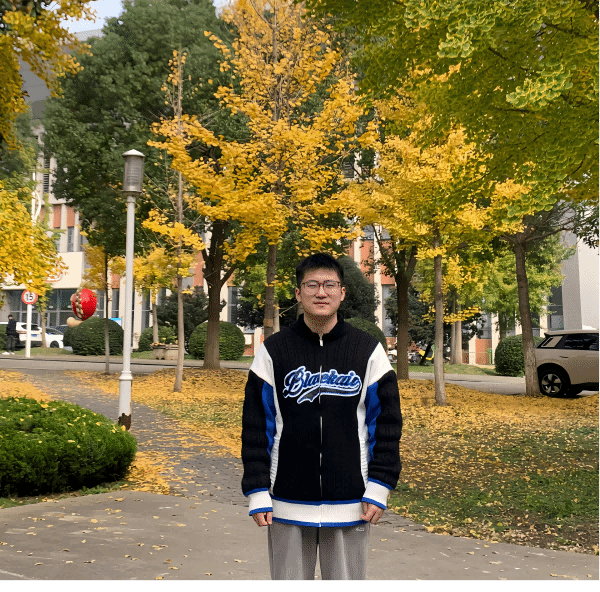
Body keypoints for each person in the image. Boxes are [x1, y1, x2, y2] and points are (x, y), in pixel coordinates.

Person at [241, 252, 402, 581]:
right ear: (298, 293)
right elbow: (256, 427)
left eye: (330, 285)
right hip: (285, 501)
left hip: (351, 502)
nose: (321, 292)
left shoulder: (368, 352)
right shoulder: (273, 352)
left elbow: (386, 425)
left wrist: (379, 486)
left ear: (342, 292)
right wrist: (257, 490)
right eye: (311, 285)